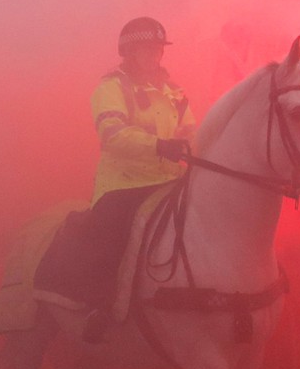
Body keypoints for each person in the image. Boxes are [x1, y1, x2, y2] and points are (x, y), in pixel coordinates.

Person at [41, 18, 198, 336]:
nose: (153, 55)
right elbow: (112, 134)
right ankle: (98, 307)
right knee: (111, 234)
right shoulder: (111, 87)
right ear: (128, 52)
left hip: (169, 179)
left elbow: (191, 132)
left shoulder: (175, 92)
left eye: (157, 49)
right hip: (124, 184)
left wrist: (194, 150)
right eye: (145, 49)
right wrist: (159, 146)